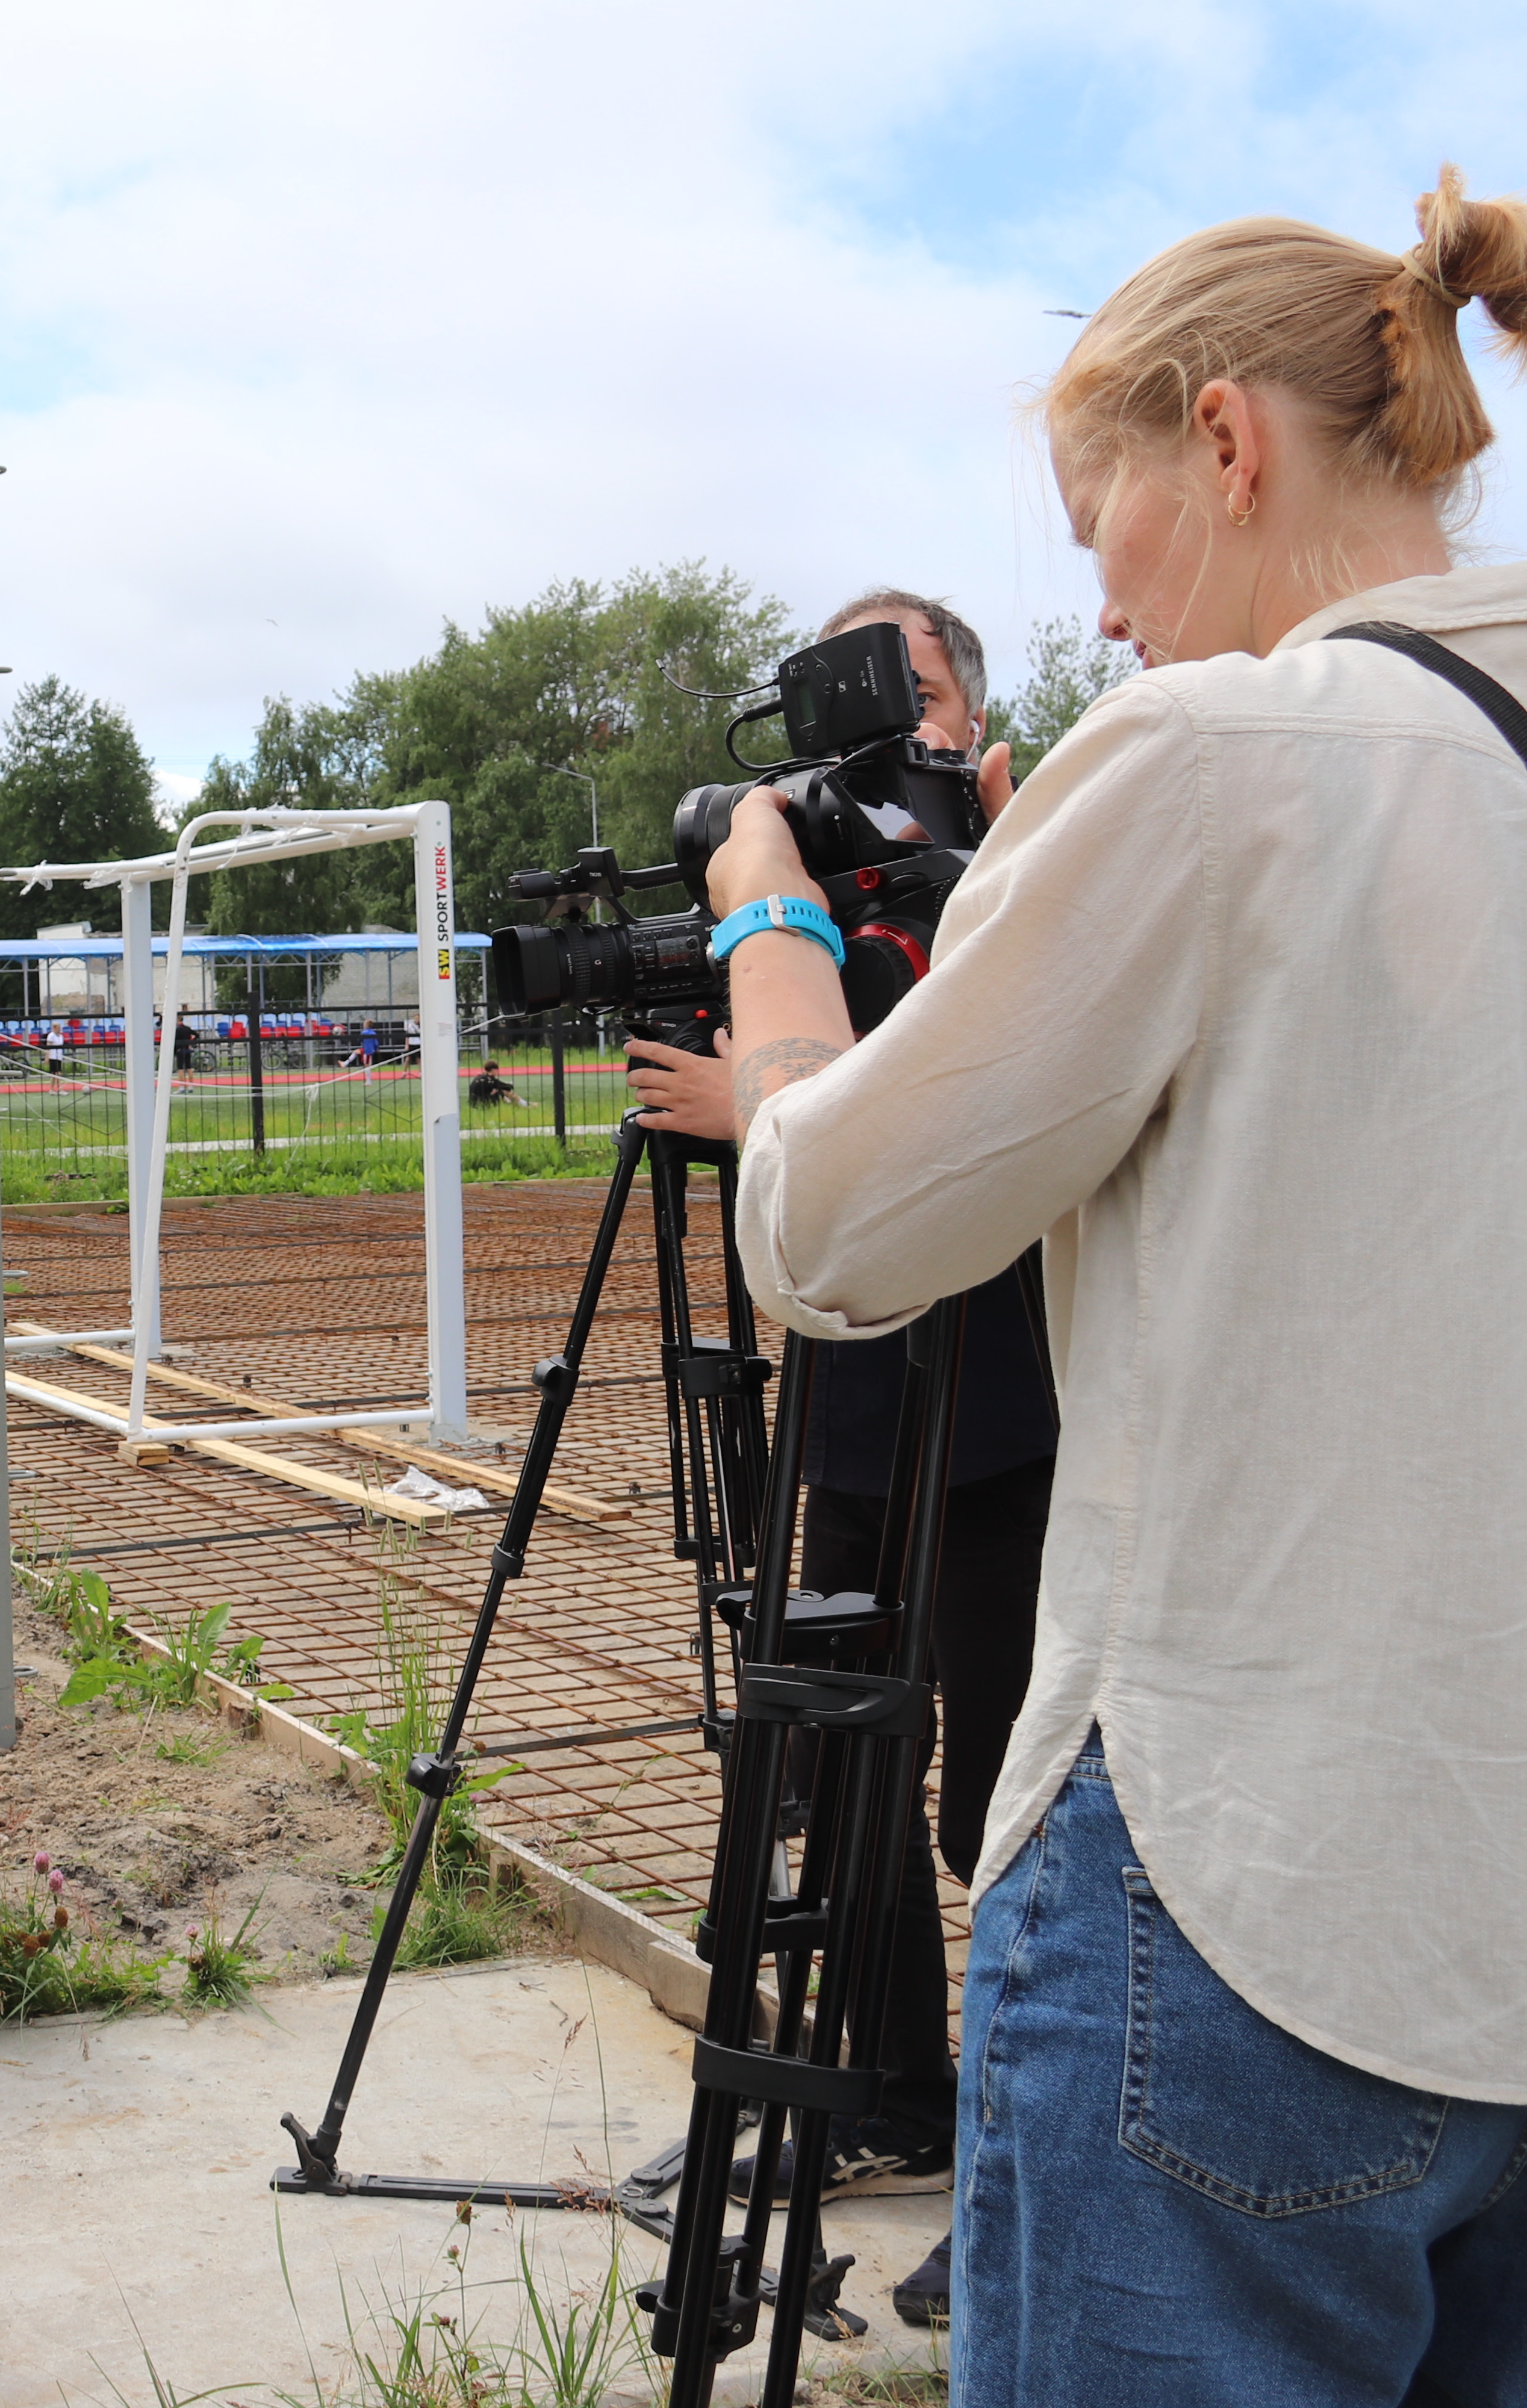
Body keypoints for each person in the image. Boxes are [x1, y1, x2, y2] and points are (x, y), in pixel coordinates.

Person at [714, 171, 1527, 2402]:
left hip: (1251, 1922)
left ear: (1228, 443)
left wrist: (774, 934)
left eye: (1105, 528)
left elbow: (836, 1235)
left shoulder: (1205, 763)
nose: (1111, 616)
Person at [627, 588, 1058, 2330]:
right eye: (851, 711)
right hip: (857, 1394)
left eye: (921, 697)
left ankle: (1035, 2173)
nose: (886, 745)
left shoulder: (1027, 877)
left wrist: (771, 1109)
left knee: (1013, 1791)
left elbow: (981, 1097)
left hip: (1021, 1397)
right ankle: (890, 2088)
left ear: (980, 730)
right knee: (842, 1766)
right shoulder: (801, 896)